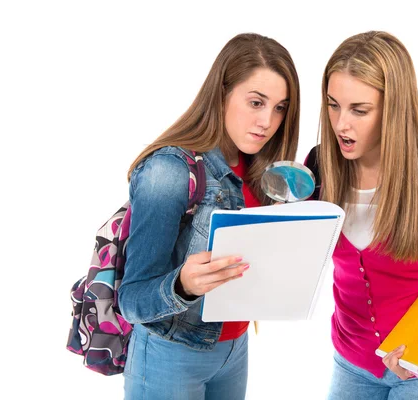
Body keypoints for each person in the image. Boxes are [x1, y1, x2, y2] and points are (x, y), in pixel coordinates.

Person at [118, 33, 300, 399]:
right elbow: (131, 300)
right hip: (170, 354)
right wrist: (182, 285)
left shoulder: (262, 171)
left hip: (235, 350)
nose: (267, 121)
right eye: (255, 102)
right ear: (221, 94)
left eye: (280, 107)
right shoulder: (168, 171)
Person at [308, 31, 418, 399]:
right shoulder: (320, 168)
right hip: (351, 363)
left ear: (393, 109)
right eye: (333, 104)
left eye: (359, 110)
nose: (341, 124)